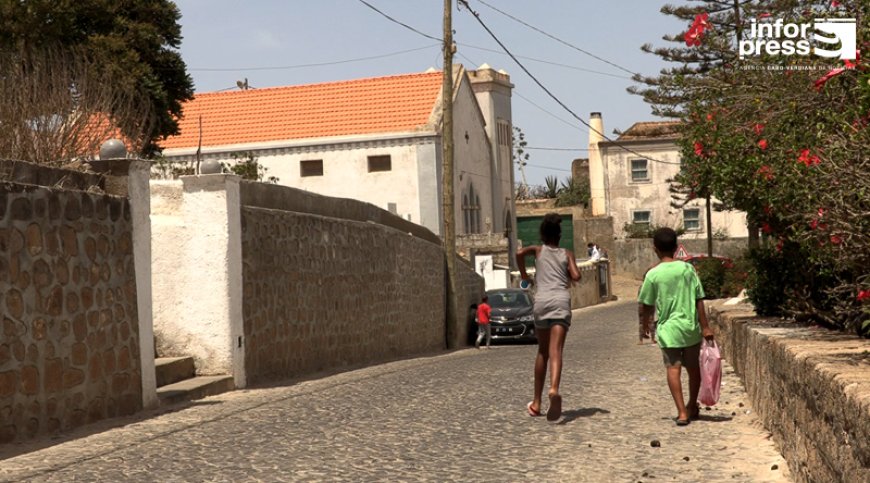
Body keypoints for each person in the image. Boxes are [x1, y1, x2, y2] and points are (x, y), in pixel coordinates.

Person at [638, 228, 714, 426]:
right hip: (690, 328)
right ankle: (691, 405)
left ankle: (681, 412)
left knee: (673, 369)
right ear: (675, 247)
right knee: (693, 369)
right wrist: (705, 327)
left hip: (668, 330)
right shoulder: (688, 270)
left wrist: (645, 325)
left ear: (655, 249)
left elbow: (646, 304)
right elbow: (699, 299)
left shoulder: (652, 274)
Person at [516, 213, 582, 421]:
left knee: (542, 352)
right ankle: (553, 389)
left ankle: (536, 402)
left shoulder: (537, 251)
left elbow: (519, 253)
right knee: (557, 350)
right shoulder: (567, 253)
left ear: (543, 235)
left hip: (542, 302)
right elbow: (577, 275)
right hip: (561, 301)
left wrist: (525, 276)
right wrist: (570, 275)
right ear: (559, 235)